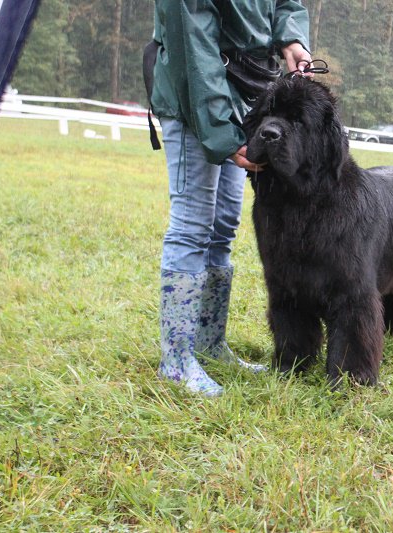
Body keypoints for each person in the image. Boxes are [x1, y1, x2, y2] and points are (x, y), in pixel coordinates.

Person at [149, 1, 311, 396]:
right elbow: (192, 38)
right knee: (193, 225)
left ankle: (208, 343)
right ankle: (176, 359)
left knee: (222, 227)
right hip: (195, 96)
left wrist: (290, 36)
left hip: (242, 94)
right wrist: (220, 126)